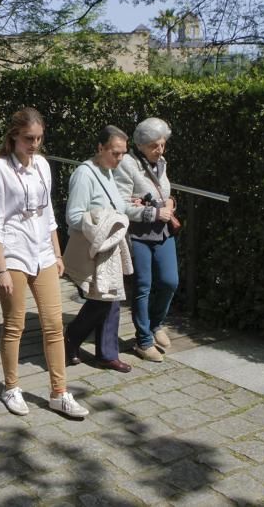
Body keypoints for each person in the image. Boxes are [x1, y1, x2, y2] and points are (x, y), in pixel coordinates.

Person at [0, 107, 89, 419]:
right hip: (12, 252)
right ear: (14, 135)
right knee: (15, 323)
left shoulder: (43, 164)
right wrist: (0, 267)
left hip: (42, 251)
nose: (34, 144)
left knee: (54, 324)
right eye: (29, 138)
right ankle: (11, 386)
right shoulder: (0, 169)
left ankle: (59, 392)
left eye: (39, 138)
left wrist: (57, 254)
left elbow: (49, 215)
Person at [62, 125, 142, 373]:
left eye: (123, 154)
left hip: (107, 252)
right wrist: (103, 220)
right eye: (115, 153)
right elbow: (73, 216)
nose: (120, 158)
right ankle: (72, 340)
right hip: (92, 252)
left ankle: (104, 353)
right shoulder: (85, 175)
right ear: (100, 148)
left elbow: (112, 205)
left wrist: (128, 205)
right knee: (103, 301)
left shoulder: (108, 171)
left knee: (110, 300)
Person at [113, 118, 179, 363]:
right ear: (140, 145)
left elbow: (165, 191)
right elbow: (121, 203)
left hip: (162, 231)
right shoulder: (128, 165)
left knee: (170, 281)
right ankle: (143, 340)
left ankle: (155, 324)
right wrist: (151, 212)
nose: (160, 150)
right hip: (138, 232)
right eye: (154, 145)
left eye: (162, 144)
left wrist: (170, 203)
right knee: (143, 286)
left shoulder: (161, 162)